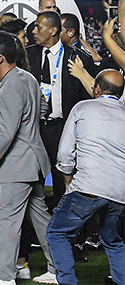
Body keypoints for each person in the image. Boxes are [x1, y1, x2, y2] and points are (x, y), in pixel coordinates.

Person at [0, 32, 56, 285]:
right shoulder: (27, 78)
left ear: (0, 58)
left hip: (17, 165)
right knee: (41, 219)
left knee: (7, 220)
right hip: (33, 161)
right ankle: (57, 269)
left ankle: (5, 277)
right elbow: (42, 109)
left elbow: (6, 134)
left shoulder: (10, 85)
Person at [46, 69, 125, 285]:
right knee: (113, 240)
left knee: (57, 234)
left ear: (96, 88)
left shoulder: (83, 107)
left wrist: (67, 176)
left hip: (87, 187)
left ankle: (68, 281)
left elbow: (64, 153)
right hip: (119, 193)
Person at [26, 11, 91, 206]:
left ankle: (66, 224)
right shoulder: (28, 55)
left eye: (39, 27)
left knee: (63, 178)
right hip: (33, 127)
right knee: (30, 176)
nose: (34, 31)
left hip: (63, 128)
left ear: (53, 30)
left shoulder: (77, 58)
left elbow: (87, 98)